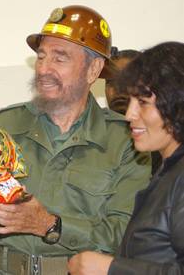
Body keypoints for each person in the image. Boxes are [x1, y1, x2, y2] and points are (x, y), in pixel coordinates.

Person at [0, 5, 151, 275]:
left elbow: (126, 235)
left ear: (93, 69)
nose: (44, 69)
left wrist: (49, 224)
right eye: (41, 57)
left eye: (59, 58)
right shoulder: (3, 126)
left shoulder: (126, 140)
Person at [68, 41, 184, 275]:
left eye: (142, 102)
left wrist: (110, 268)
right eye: (130, 101)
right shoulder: (167, 172)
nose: (130, 114)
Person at [105, 48, 162, 174]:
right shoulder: (91, 137)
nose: (117, 90)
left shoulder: (160, 142)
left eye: (127, 82)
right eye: (110, 82)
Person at [105, 48, 141, 115]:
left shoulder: (163, 123)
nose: (118, 89)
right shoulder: (90, 124)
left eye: (127, 80)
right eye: (110, 81)